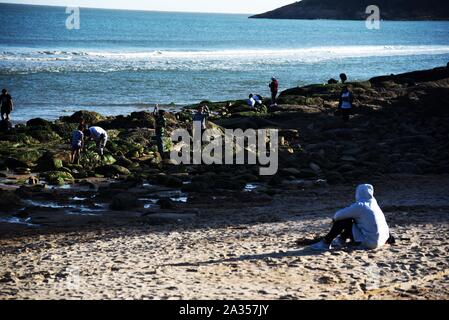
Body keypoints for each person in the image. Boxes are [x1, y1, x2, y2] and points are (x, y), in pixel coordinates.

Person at [311, 184, 392, 251]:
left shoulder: (360, 205)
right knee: (356, 219)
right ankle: (341, 239)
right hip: (382, 240)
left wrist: (334, 222)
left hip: (370, 243)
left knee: (344, 220)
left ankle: (326, 243)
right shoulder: (375, 206)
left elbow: (337, 215)